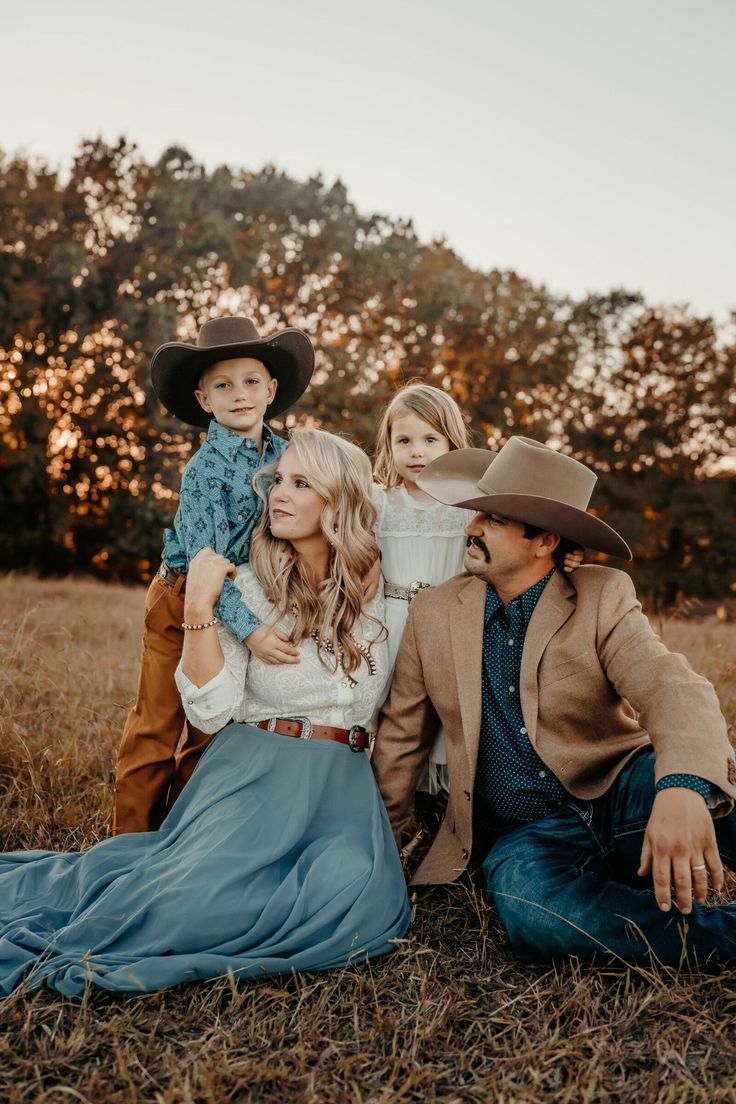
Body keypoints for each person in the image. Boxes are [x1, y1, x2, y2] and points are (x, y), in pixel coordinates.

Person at [0, 429, 410, 998]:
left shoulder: (382, 594)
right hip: (252, 782)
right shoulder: (249, 590)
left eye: (300, 483)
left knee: (362, 904)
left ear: (339, 500)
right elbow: (213, 710)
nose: (278, 495)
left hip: (341, 795)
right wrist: (198, 604)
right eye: (277, 482)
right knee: (192, 909)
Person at [372, 436, 736, 966]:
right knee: (536, 916)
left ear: (544, 541)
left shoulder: (601, 594)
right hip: (524, 836)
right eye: (477, 514)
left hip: (618, 789)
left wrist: (681, 786)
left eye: (492, 519)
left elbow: (670, 685)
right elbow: (401, 739)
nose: (470, 529)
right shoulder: (432, 614)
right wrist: (375, 849)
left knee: (726, 786)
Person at [113, 315, 314, 834]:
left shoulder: (283, 454)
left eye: (251, 382)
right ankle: (127, 845)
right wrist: (251, 630)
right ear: (204, 400)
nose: (239, 395)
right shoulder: (204, 471)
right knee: (158, 726)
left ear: (271, 390)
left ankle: (182, 843)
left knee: (212, 726)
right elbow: (205, 565)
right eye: (223, 385)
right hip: (185, 596)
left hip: (242, 599)